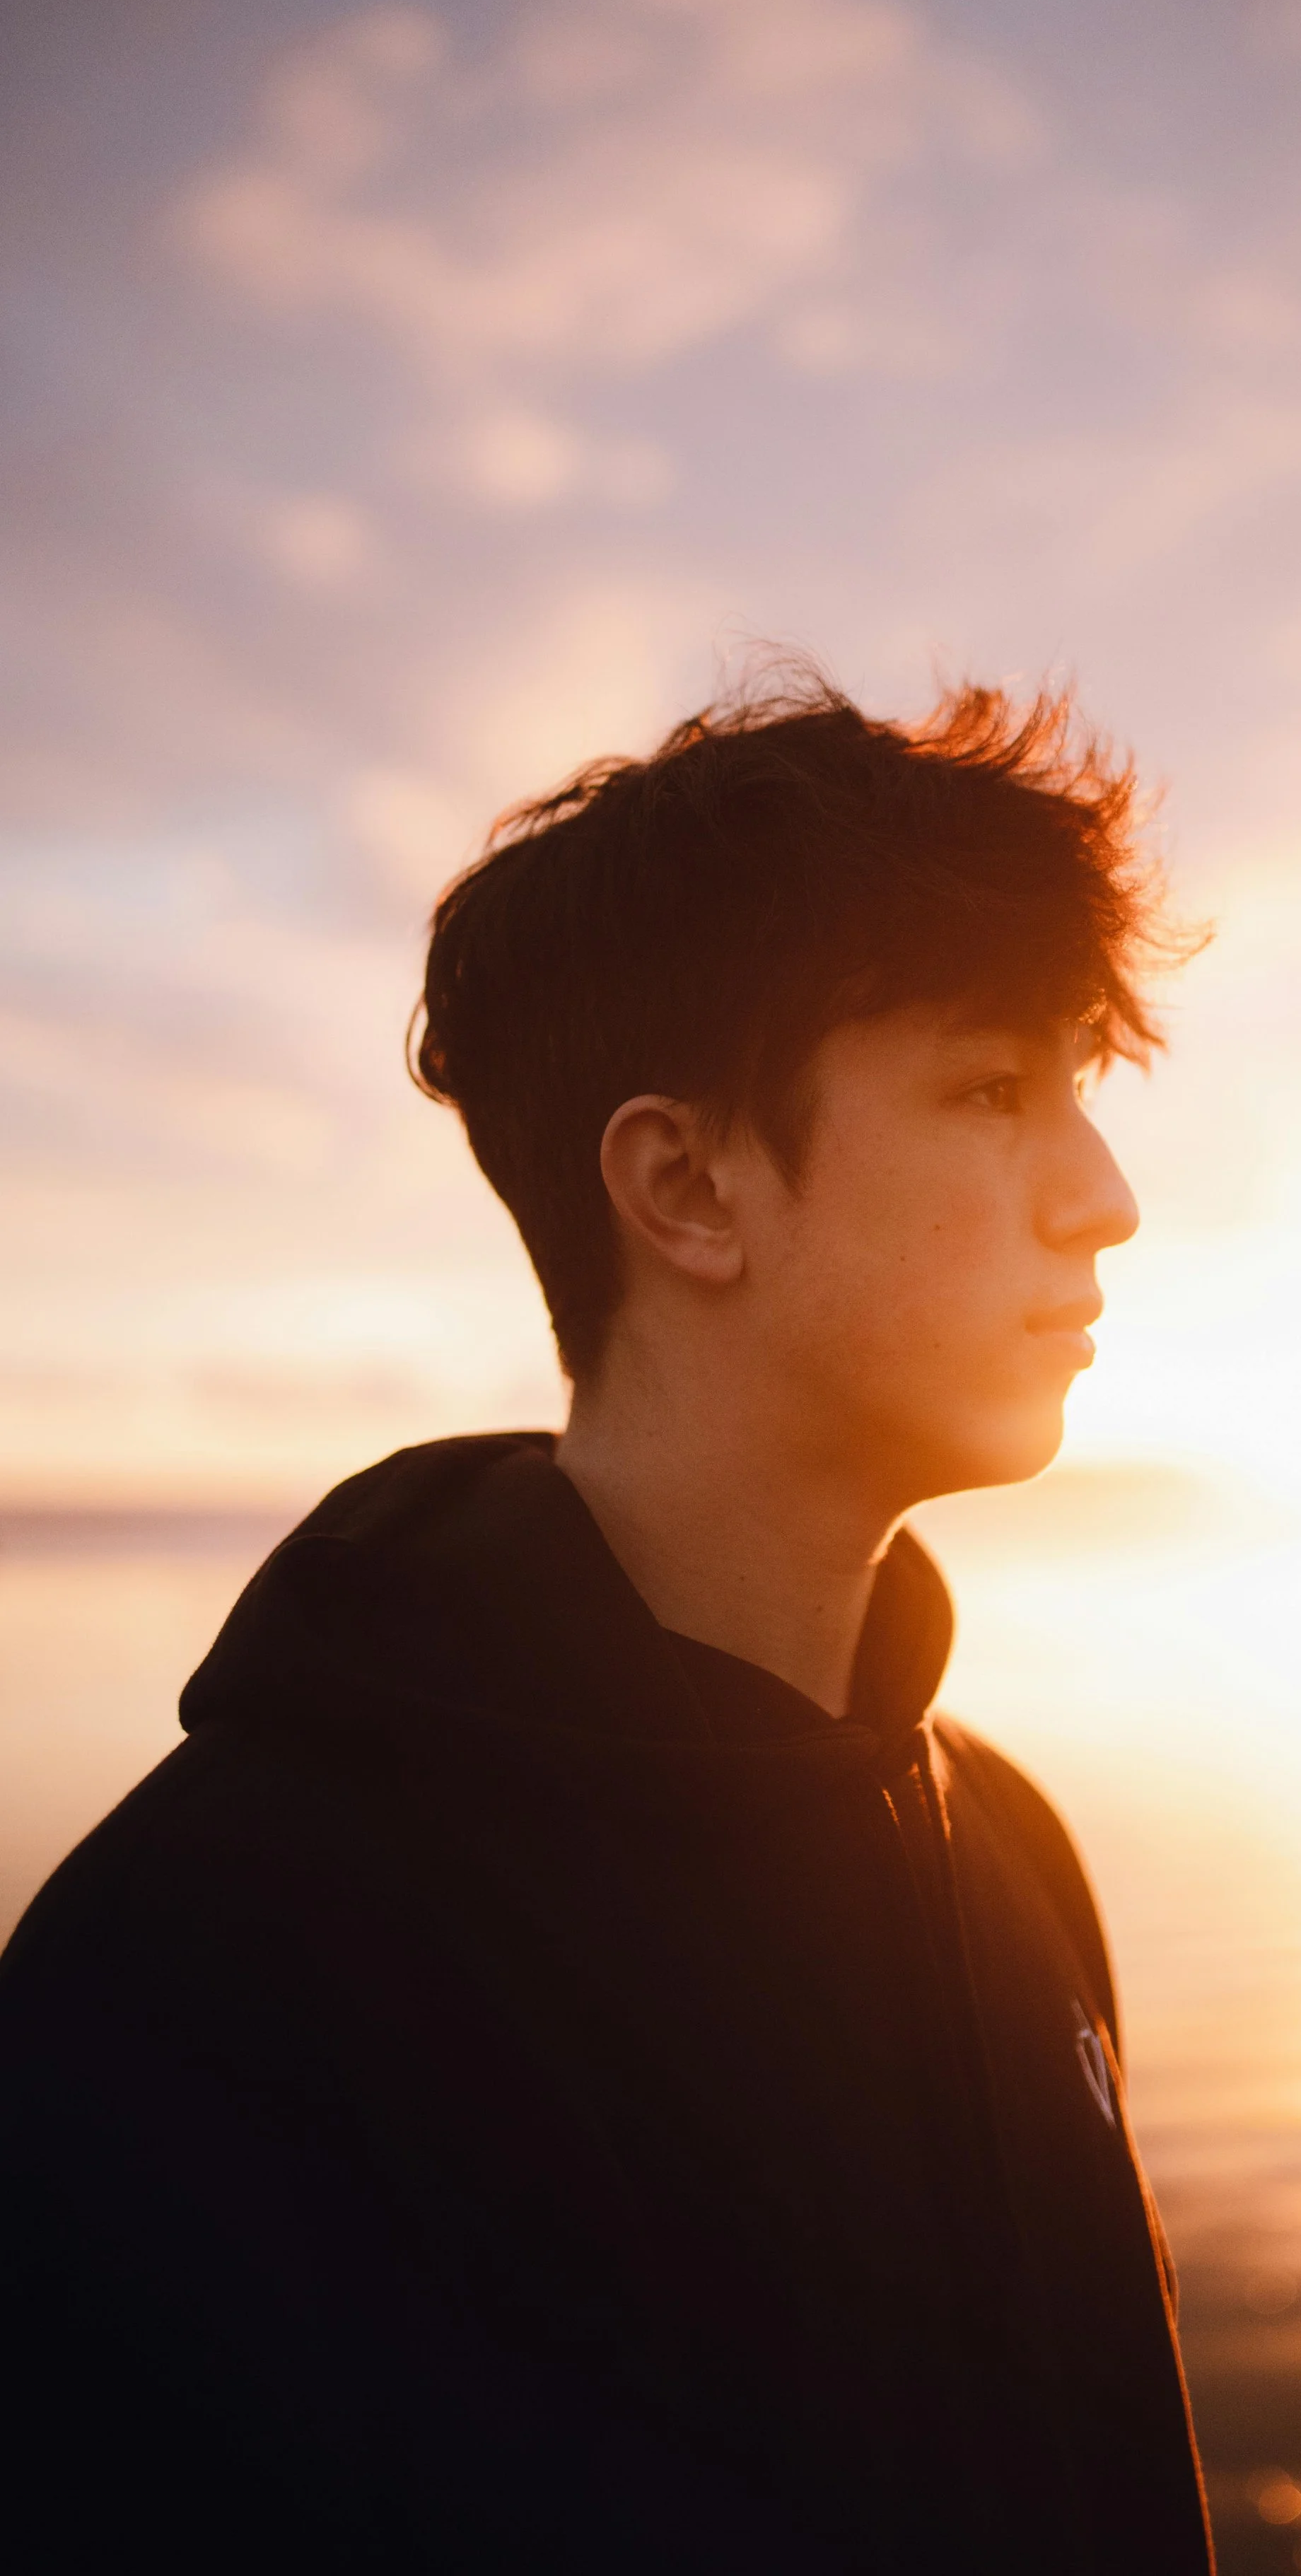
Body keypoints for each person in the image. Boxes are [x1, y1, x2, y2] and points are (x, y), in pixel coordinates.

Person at [0, 671, 1215, 2572]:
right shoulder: (204, 1961)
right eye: (993, 1091)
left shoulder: (1004, 1849)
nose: (1107, 1198)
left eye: (1078, 1088)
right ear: (684, 1184)